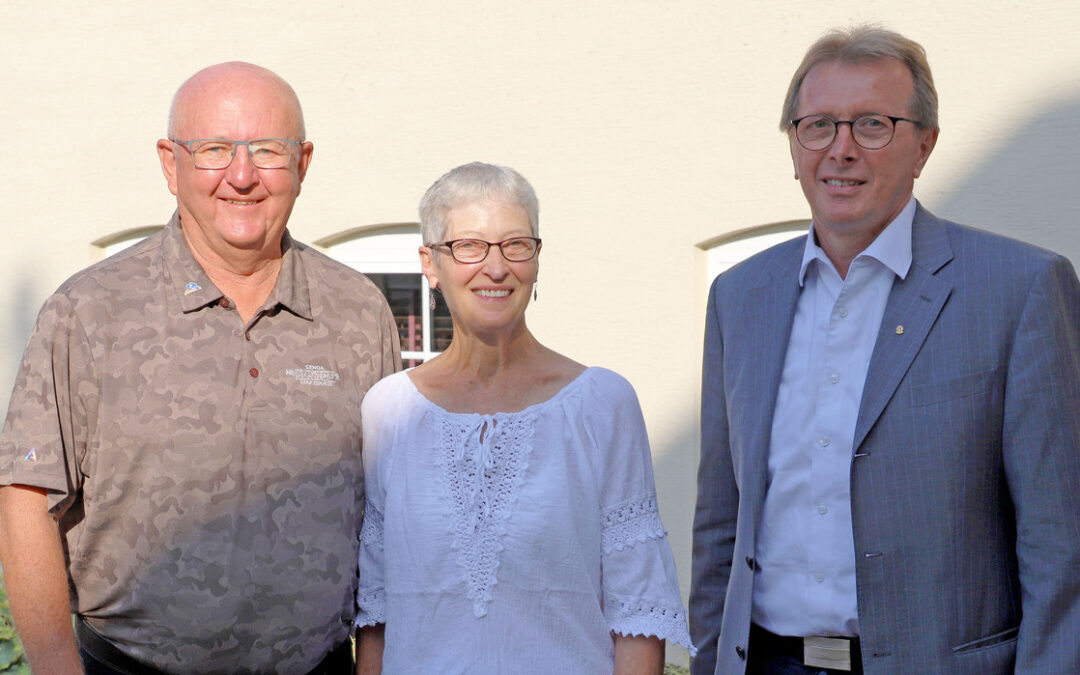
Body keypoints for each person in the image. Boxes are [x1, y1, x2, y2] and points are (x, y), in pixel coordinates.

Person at [690, 26, 1080, 675]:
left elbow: (1060, 545)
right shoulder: (740, 296)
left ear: (924, 144)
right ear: (793, 144)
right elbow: (718, 524)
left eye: (872, 124)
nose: (841, 150)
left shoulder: (1019, 290)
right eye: (817, 125)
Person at [0, 62, 401, 674]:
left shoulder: (358, 314)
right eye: (214, 150)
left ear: (304, 163)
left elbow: (389, 518)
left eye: (269, 150)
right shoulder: (88, 312)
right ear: (170, 164)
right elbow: (26, 496)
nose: (242, 177)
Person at [354, 162, 694, 674]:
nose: (496, 268)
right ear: (429, 263)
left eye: (515, 245)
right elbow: (378, 613)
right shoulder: (388, 411)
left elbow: (638, 613)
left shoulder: (602, 404)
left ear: (537, 259)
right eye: (468, 246)